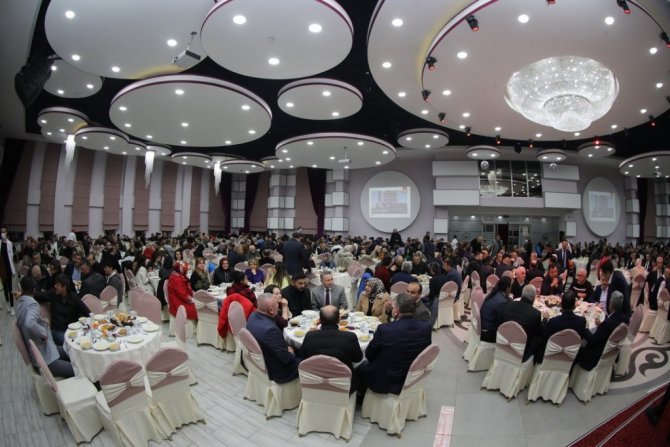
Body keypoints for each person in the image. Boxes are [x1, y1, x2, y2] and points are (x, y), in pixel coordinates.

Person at [360, 293, 431, 395]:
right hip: (413, 376)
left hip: (386, 379)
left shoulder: (385, 330)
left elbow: (369, 354)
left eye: (393, 306)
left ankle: (361, 397)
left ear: (397, 311)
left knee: (361, 366)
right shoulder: (425, 328)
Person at [15, 277, 74, 378]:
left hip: (41, 351)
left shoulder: (20, 304)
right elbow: (29, 323)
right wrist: (43, 332)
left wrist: (42, 322)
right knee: (77, 369)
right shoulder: (32, 304)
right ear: (34, 290)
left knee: (70, 350)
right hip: (45, 359)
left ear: (22, 289)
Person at [301, 305, 363, 393]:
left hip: (315, 384)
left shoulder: (310, 336)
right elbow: (357, 359)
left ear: (320, 320)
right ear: (339, 320)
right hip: (343, 386)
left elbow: (303, 357)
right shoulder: (350, 337)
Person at [246, 293, 301, 384]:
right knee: (306, 359)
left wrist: (284, 349)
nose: (278, 306)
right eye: (277, 305)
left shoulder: (252, 316)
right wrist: (291, 353)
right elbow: (286, 359)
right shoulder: (270, 330)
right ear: (271, 310)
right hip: (277, 371)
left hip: (262, 360)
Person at [576, 291, 628, 371]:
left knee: (577, 349)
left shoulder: (607, 324)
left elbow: (592, 340)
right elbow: (608, 328)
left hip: (597, 355)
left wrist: (585, 327)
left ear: (611, 304)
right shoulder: (622, 317)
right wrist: (601, 324)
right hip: (611, 352)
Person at [35, 274, 90, 346]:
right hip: (57, 330)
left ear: (64, 287)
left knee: (84, 340)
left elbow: (87, 312)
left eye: (57, 285)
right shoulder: (53, 294)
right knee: (70, 343)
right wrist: (26, 293)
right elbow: (39, 296)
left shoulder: (74, 297)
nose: (55, 286)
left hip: (73, 329)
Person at [500, 284, 543, 362]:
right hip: (522, 352)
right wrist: (545, 320)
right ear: (533, 298)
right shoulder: (535, 314)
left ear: (522, 295)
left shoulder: (508, 305)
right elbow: (538, 334)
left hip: (503, 344)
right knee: (540, 338)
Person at [479, 276, 512, 343]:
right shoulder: (502, 302)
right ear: (507, 288)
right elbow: (501, 322)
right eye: (511, 287)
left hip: (481, 327)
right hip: (487, 334)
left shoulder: (493, 294)